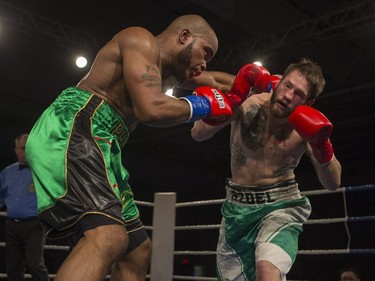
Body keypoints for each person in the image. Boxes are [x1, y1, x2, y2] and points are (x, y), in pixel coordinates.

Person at [25, 14, 249, 281]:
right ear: (185, 36)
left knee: (136, 250)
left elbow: (217, 82)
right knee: (108, 236)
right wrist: (205, 106)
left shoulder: (167, 74)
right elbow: (150, 109)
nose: (203, 63)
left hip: (105, 143)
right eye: (205, 52)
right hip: (76, 126)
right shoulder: (141, 40)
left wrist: (264, 84)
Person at [191, 58, 342, 281]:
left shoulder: (304, 129)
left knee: (267, 271)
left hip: (281, 206)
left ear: (308, 103)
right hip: (236, 208)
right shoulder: (249, 103)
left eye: (299, 94)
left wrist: (322, 146)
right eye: (288, 86)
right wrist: (233, 100)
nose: (289, 95)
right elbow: (198, 133)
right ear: (279, 81)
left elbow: (333, 183)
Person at [0, 134, 50, 281]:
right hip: (11, 227)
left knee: (35, 264)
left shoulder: (42, 172)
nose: (26, 152)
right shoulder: (7, 173)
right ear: (16, 150)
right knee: (13, 268)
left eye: (29, 148)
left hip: (35, 225)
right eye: (23, 148)